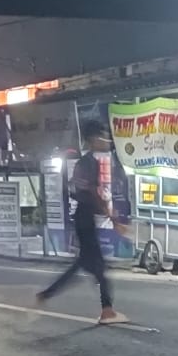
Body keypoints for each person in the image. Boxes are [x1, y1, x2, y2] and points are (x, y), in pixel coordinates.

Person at [35, 120, 125, 324]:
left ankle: (47, 294)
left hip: (84, 218)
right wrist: (112, 216)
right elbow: (92, 193)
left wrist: (108, 213)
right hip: (85, 219)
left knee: (87, 265)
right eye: (103, 137)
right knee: (97, 267)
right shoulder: (88, 163)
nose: (107, 141)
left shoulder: (87, 163)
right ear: (93, 140)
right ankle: (107, 310)